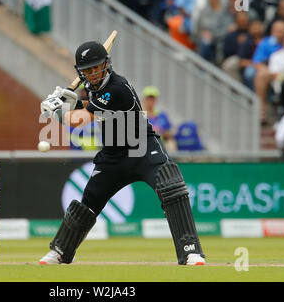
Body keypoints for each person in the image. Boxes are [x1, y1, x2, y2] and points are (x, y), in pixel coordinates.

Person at [39, 40, 206, 265]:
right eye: (87, 71)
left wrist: (58, 111)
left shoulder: (118, 87)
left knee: (171, 185)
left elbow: (79, 120)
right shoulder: (92, 88)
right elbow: (90, 105)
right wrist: (71, 102)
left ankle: (190, 250)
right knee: (88, 203)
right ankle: (61, 251)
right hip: (113, 157)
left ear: (106, 64)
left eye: (96, 68)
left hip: (143, 149)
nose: (93, 73)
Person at [252, 20, 284, 124]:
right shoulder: (271, 49)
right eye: (278, 31)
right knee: (258, 75)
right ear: (272, 31)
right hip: (272, 74)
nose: (280, 34)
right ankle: (261, 108)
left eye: (283, 31)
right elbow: (257, 62)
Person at [141, 85, 176, 151]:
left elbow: (170, 133)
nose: (150, 101)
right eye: (148, 98)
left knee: (171, 143)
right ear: (144, 99)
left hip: (160, 145)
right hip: (146, 146)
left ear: (156, 100)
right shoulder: (140, 115)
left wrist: (162, 132)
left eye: (152, 98)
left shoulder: (162, 115)